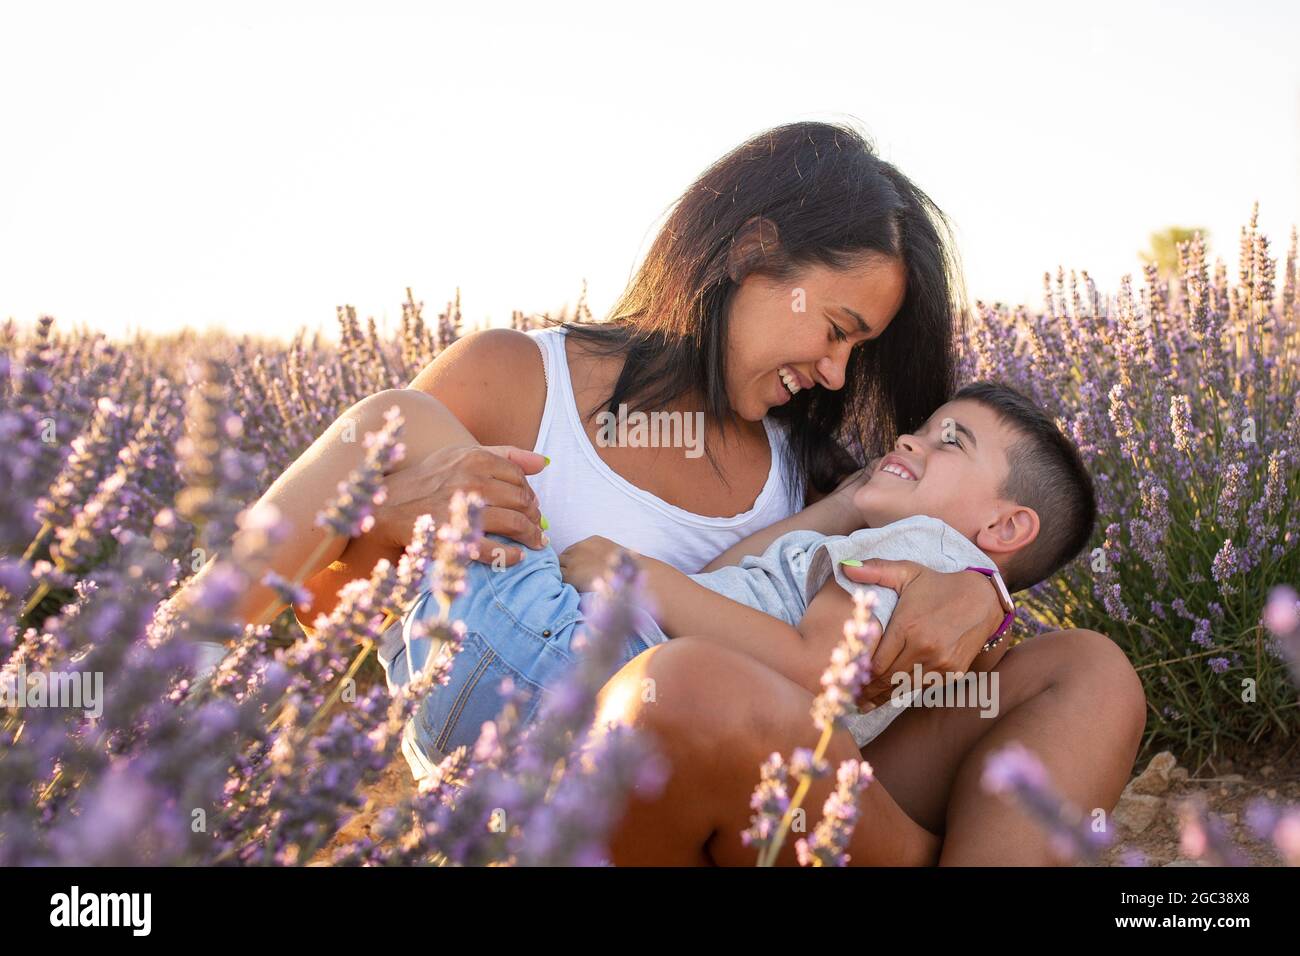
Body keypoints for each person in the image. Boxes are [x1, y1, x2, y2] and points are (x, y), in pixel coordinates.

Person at [190, 120, 1144, 865]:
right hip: (554, 797)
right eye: (836, 328)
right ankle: (134, 723)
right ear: (750, 252)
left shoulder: (807, 468)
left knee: (1092, 672)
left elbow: (906, 581)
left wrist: (980, 589)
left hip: (770, 805)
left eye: (859, 351)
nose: (834, 371)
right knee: (672, 684)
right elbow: (351, 605)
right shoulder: (515, 380)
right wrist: (385, 511)